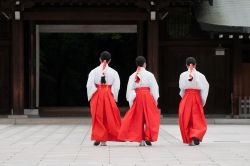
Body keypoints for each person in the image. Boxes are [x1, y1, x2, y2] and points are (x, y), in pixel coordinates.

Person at [118, 56, 160, 146]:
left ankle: (140, 139)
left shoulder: (132, 76)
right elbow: (154, 88)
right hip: (147, 96)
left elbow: (129, 90)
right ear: (145, 64)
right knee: (150, 118)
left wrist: (131, 101)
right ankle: (147, 136)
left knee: (138, 118)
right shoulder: (150, 75)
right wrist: (155, 100)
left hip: (137, 97)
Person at [86, 51, 121, 146]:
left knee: (97, 116)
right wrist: (114, 96)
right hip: (108, 93)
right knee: (108, 116)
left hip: (97, 93)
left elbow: (89, 84)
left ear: (100, 59)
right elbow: (116, 86)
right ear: (110, 60)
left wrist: (92, 94)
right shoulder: (114, 72)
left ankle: (99, 137)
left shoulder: (94, 71)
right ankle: (104, 139)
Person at [178, 57, 209, 146]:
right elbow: (205, 88)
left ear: (186, 65)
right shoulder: (201, 75)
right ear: (195, 65)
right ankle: (196, 135)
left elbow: (181, 88)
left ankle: (189, 137)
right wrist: (202, 101)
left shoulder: (182, 75)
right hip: (196, 97)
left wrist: (184, 97)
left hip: (187, 97)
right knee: (197, 118)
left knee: (186, 117)